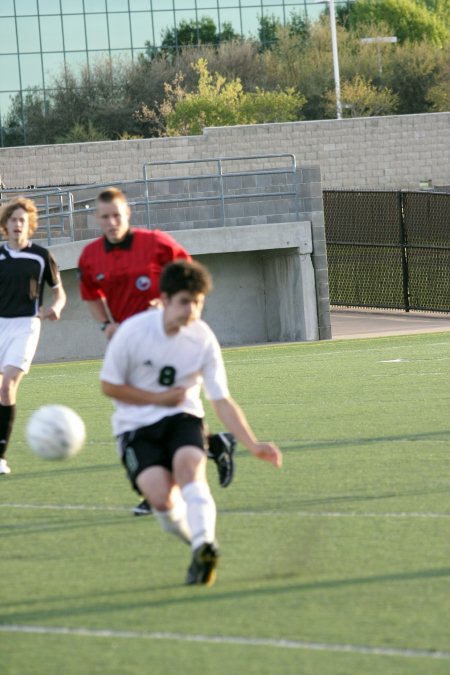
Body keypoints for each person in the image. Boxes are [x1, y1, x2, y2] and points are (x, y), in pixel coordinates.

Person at [100, 260, 282, 585]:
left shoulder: (203, 338)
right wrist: (158, 399)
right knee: (161, 500)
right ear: (165, 299)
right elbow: (109, 386)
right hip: (135, 427)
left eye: (198, 302)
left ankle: (204, 545)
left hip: (183, 418)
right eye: (185, 301)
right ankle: (197, 545)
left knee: (189, 473)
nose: (192, 309)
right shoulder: (133, 331)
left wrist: (253, 443)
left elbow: (220, 398)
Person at [78, 187, 236, 515]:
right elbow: (91, 293)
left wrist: (167, 302)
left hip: (165, 335)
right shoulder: (90, 256)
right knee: (137, 404)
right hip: (128, 341)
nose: (111, 222)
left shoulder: (156, 243)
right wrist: (105, 325)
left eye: (116, 215)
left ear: (128, 214)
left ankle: (154, 491)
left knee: (158, 405)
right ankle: (211, 444)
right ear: (97, 218)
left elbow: (188, 273)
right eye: (105, 217)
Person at [0, 197, 66, 474]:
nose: (18, 224)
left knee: (7, 385)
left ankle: (0, 456)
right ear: (5, 225)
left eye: (22, 220)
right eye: (13, 219)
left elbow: (58, 292)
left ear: (30, 225)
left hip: (27, 325)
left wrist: (56, 307)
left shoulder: (41, 256)